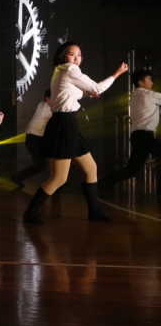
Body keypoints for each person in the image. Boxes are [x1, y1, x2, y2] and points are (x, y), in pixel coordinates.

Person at [22, 42, 128, 224]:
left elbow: (69, 93)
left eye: (79, 54)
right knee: (59, 178)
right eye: (72, 54)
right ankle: (31, 212)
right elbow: (96, 88)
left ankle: (95, 212)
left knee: (91, 169)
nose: (77, 58)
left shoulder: (61, 71)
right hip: (64, 125)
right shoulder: (70, 69)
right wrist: (117, 74)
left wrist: (88, 94)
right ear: (64, 56)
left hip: (68, 124)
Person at [100, 69, 161, 188]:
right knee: (132, 169)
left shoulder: (134, 95)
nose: (152, 82)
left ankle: (102, 184)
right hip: (145, 136)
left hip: (138, 136)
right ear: (140, 82)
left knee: (132, 169)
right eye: (149, 79)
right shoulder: (148, 94)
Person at [11, 89, 52, 188]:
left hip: (33, 138)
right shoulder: (48, 108)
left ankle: (17, 177)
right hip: (35, 139)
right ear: (47, 98)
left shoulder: (41, 104)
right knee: (40, 165)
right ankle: (17, 177)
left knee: (43, 164)